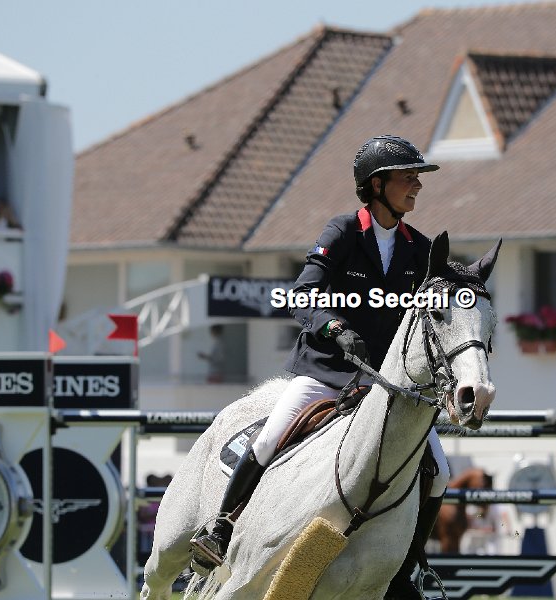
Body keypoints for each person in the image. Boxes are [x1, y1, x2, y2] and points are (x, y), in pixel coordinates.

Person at [191, 135, 450, 597]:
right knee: (269, 438)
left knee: (440, 471)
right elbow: (303, 294)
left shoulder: (421, 248)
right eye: (408, 177)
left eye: (417, 177)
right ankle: (221, 529)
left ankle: (409, 567)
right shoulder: (343, 232)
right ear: (377, 185)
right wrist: (334, 326)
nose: (416, 185)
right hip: (328, 370)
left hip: (386, 386)